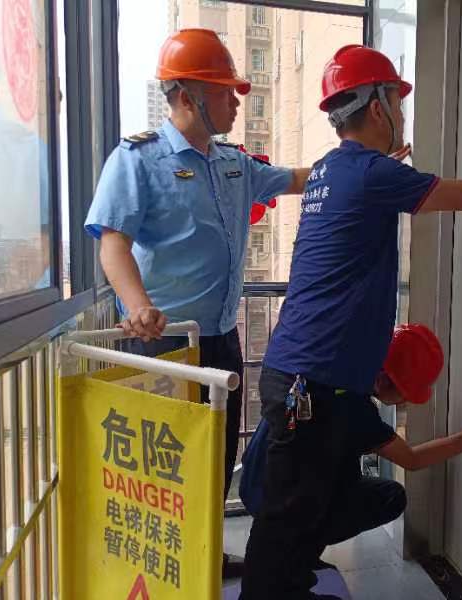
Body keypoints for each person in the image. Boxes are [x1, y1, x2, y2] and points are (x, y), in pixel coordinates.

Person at [240, 44, 462, 600]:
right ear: (379, 106)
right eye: (398, 102)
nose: (402, 112)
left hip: (303, 376)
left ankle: (288, 587)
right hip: (316, 383)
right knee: (286, 521)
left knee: (298, 510)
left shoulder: (332, 170)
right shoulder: (370, 174)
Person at [83, 29, 312, 578]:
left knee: (215, 458)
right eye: (225, 92)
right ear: (187, 96)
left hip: (221, 340)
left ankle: (204, 559)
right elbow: (112, 241)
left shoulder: (234, 164)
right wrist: (137, 305)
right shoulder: (138, 160)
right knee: (163, 469)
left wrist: (361, 167)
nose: (237, 101)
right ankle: (161, 575)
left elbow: (293, 179)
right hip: (163, 344)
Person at [239, 324, 462, 571]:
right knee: (389, 496)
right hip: (279, 501)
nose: (405, 401)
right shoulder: (355, 410)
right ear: (381, 380)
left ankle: (297, 547)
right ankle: (299, 551)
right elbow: (412, 460)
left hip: (255, 482)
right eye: (405, 392)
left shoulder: (329, 371)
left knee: (343, 468)